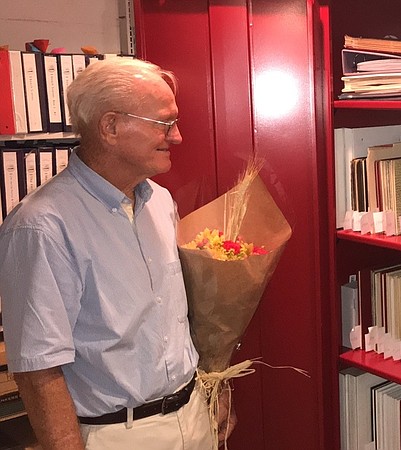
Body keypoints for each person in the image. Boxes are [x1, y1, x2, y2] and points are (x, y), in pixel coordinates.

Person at [0, 58, 236, 449]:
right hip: (117, 435)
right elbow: (38, 369)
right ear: (110, 127)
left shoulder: (160, 201)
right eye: (164, 123)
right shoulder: (41, 227)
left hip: (194, 415)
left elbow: (178, 318)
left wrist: (215, 387)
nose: (176, 137)